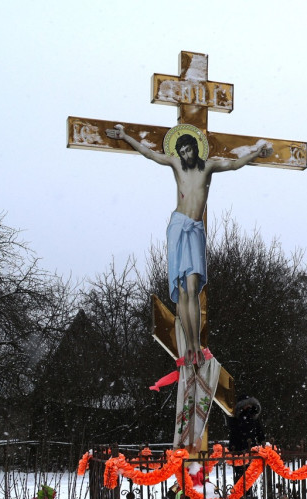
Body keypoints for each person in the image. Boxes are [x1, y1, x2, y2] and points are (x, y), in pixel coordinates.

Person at [107, 125, 270, 365]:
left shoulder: (208, 167)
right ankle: (191, 347)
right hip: (178, 227)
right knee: (182, 290)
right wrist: (125, 136)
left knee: (193, 287)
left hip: (194, 230)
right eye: (182, 151)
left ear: (195, 148)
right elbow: (149, 153)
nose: (186, 154)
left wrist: (256, 152)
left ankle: (196, 344)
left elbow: (234, 164)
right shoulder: (176, 164)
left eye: (189, 150)